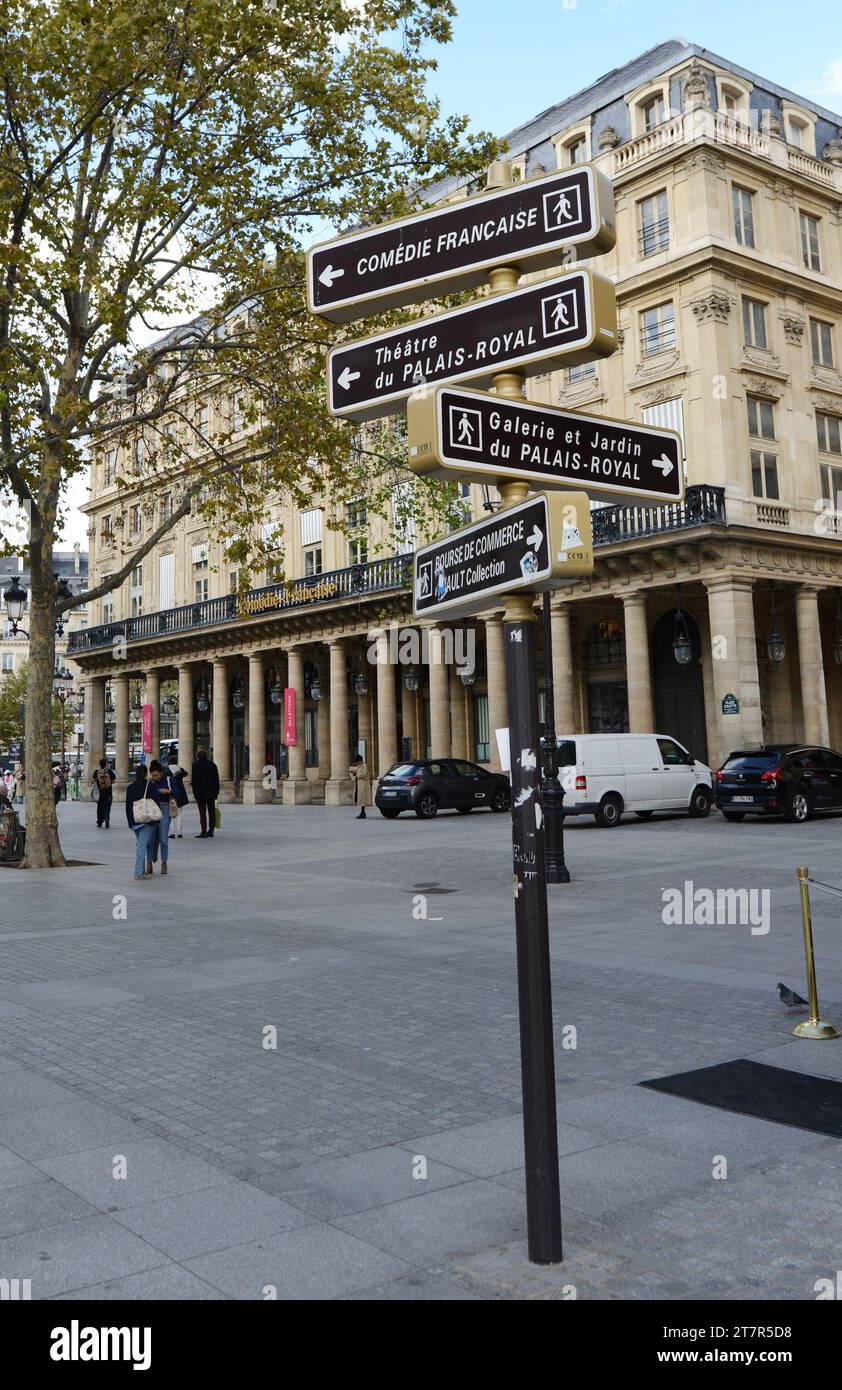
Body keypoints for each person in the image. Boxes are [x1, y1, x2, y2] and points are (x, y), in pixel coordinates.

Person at [125, 765, 156, 880]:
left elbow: (128, 806)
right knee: (141, 846)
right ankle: (138, 872)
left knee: (140, 845)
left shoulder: (130, 787)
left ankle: (141, 871)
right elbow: (155, 802)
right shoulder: (150, 786)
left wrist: (130, 822)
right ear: (145, 774)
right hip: (146, 820)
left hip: (135, 820)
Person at [146, 760, 175, 873]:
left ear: (161, 773)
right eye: (153, 776)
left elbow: (178, 793)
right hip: (153, 810)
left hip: (164, 809)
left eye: (157, 775)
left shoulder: (168, 780)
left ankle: (164, 862)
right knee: (151, 839)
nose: (155, 777)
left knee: (163, 839)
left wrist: (168, 791)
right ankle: (149, 862)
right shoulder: (150, 783)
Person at [190, 748, 220, 838]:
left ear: (198, 757)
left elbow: (194, 780)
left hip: (200, 792)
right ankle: (211, 831)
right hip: (211, 792)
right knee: (211, 812)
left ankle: (203, 831)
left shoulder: (196, 766)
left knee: (202, 812)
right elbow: (216, 779)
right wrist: (217, 791)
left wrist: (194, 792)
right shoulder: (212, 765)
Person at [166, 753, 189, 839]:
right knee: (179, 813)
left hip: (171, 794)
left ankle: (171, 833)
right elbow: (186, 773)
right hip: (180, 794)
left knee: (171, 813)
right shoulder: (180, 770)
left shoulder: (166, 771)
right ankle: (179, 832)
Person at [348, 753, 372, 820]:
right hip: (360, 784)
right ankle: (362, 812)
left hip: (363, 785)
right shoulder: (360, 766)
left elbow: (363, 775)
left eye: (357, 762)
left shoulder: (364, 766)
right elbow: (358, 773)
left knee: (363, 799)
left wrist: (356, 773)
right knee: (361, 799)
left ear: (360, 761)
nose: (357, 763)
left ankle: (363, 813)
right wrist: (353, 772)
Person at [92, 757, 114, 828]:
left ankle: (99, 822)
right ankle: (107, 817)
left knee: (100, 807)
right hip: (108, 792)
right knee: (107, 806)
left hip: (100, 793)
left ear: (100, 764)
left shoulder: (96, 772)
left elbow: (93, 781)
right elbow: (113, 781)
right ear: (106, 764)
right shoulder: (109, 771)